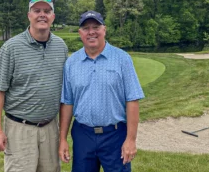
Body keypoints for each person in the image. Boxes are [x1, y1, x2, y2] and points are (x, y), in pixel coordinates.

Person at [59, 10, 145, 172]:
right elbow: (67, 102)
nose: (91, 32)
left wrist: (131, 139)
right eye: (86, 28)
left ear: (104, 29)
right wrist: (62, 139)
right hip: (83, 134)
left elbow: (132, 100)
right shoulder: (72, 63)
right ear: (80, 33)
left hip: (115, 135)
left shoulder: (122, 59)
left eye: (96, 27)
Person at [0, 0, 68, 172]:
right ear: (29, 15)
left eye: (47, 11)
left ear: (53, 17)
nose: (42, 15)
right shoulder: (11, 47)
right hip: (20, 129)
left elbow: (65, 92)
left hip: (50, 128)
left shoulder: (61, 46)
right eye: (37, 10)